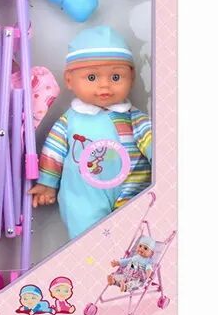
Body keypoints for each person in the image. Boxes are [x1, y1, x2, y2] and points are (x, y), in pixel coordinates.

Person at [28, 26, 152, 239]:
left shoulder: (135, 118)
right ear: (69, 80)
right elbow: (53, 153)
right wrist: (47, 183)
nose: (104, 86)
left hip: (133, 192)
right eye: (92, 77)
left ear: (131, 77)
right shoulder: (70, 121)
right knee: (86, 234)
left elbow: (156, 145)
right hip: (84, 197)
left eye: (116, 77)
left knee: (135, 237)